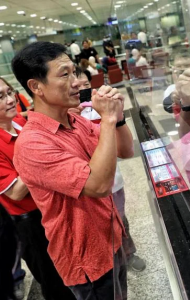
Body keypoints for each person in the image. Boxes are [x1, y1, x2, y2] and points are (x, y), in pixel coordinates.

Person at [11, 41, 134, 299]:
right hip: (87, 258)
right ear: (36, 87)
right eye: (64, 74)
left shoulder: (75, 119)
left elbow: (125, 151)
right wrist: (108, 121)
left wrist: (118, 117)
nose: (77, 81)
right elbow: (99, 186)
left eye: (74, 71)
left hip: (111, 235)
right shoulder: (33, 143)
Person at [0, 77, 75, 300]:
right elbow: (15, 191)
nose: (10, 100)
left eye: (9, 92)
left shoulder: (21, 124)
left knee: (68, 266)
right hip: (29, 220)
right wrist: (42, 157)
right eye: (0, 97)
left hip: (50, 206)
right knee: (51, 276)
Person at [75, 68, 146, 272]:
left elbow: (124, 149)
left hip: (113, 180)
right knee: (99, 225)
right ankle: (112, 258)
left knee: (120, 218)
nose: (81, 90)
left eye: (84, 85)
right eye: (76, 86)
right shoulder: (66, 116)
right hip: (86, 186)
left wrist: (112, 116)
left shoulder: (100, 109)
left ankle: (128, 252)